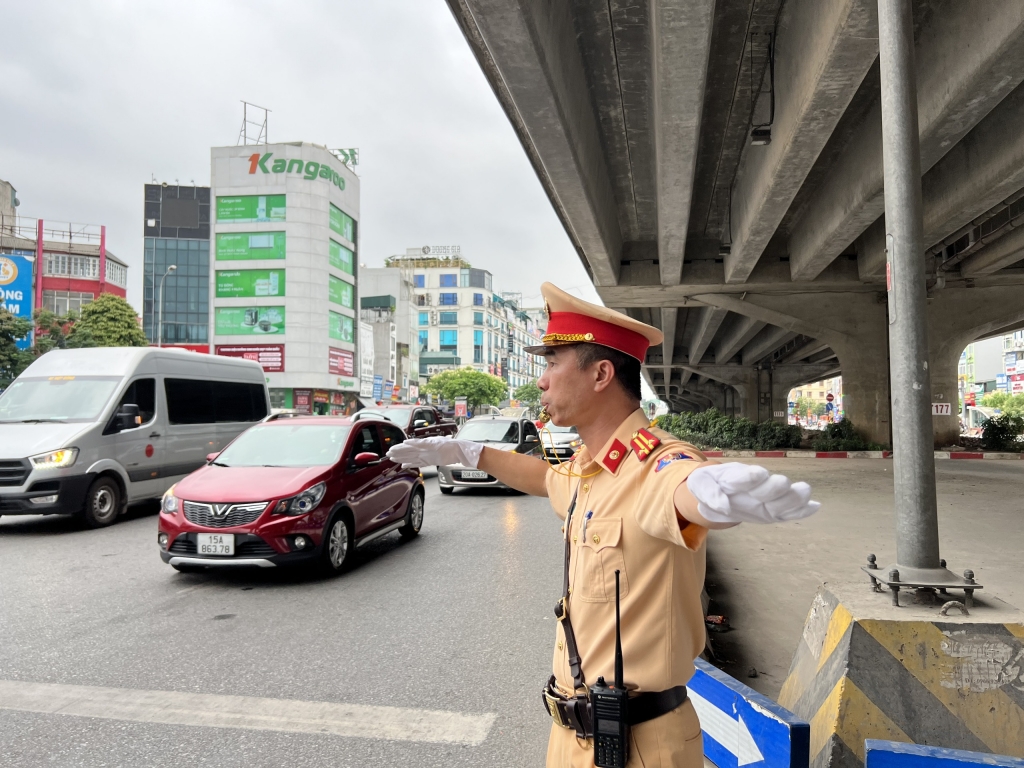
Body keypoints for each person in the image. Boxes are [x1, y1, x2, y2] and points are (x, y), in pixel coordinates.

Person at [388, 283, 820, 767]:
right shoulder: (588, 467)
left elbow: (677, 488)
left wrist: (709, 494)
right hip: (572, 737)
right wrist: (470, 453)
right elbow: (548, 480)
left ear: (600, 374)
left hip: (640, 746)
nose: (542, 381)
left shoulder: (657, 462)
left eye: (552, 363)